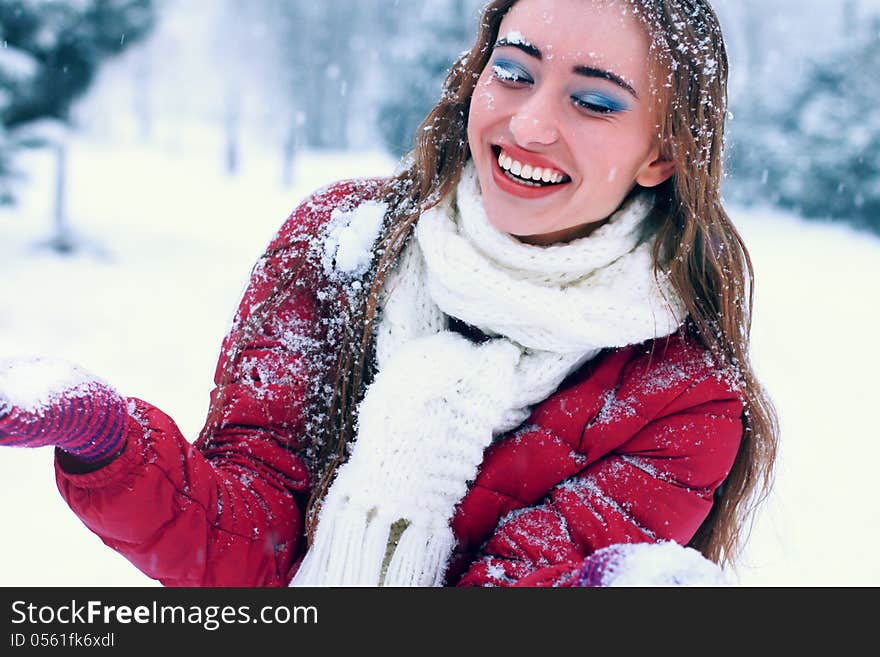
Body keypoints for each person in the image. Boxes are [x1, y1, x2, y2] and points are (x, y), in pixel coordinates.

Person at [0, 0, 778, 587]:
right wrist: (110, 440)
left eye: (595, 100)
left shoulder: (682, 401)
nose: (530, 123)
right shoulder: (338, 242)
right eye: (514, 72)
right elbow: (252, 549)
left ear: (664, 155)